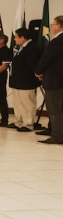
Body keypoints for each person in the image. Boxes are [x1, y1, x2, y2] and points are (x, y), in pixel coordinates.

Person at [35, 15, 63, 144]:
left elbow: (47, 58)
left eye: (53, 24)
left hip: (55, 80)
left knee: (54, 109)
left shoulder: (57, 41)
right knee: (60, 109)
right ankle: (54, 130)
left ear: (59, 26)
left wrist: (38, 71)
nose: (52, 26)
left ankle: (57, 136)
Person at [9, 28, 41, 132]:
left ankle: (28, 124)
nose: (14, 39)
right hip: (18, 81)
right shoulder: (22, 48)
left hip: (26, 82)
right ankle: (19, 122)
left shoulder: (32, 48)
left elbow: (32, 66)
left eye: (16, 37)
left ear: (22, 38)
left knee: (27, 104)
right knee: (18, 103)